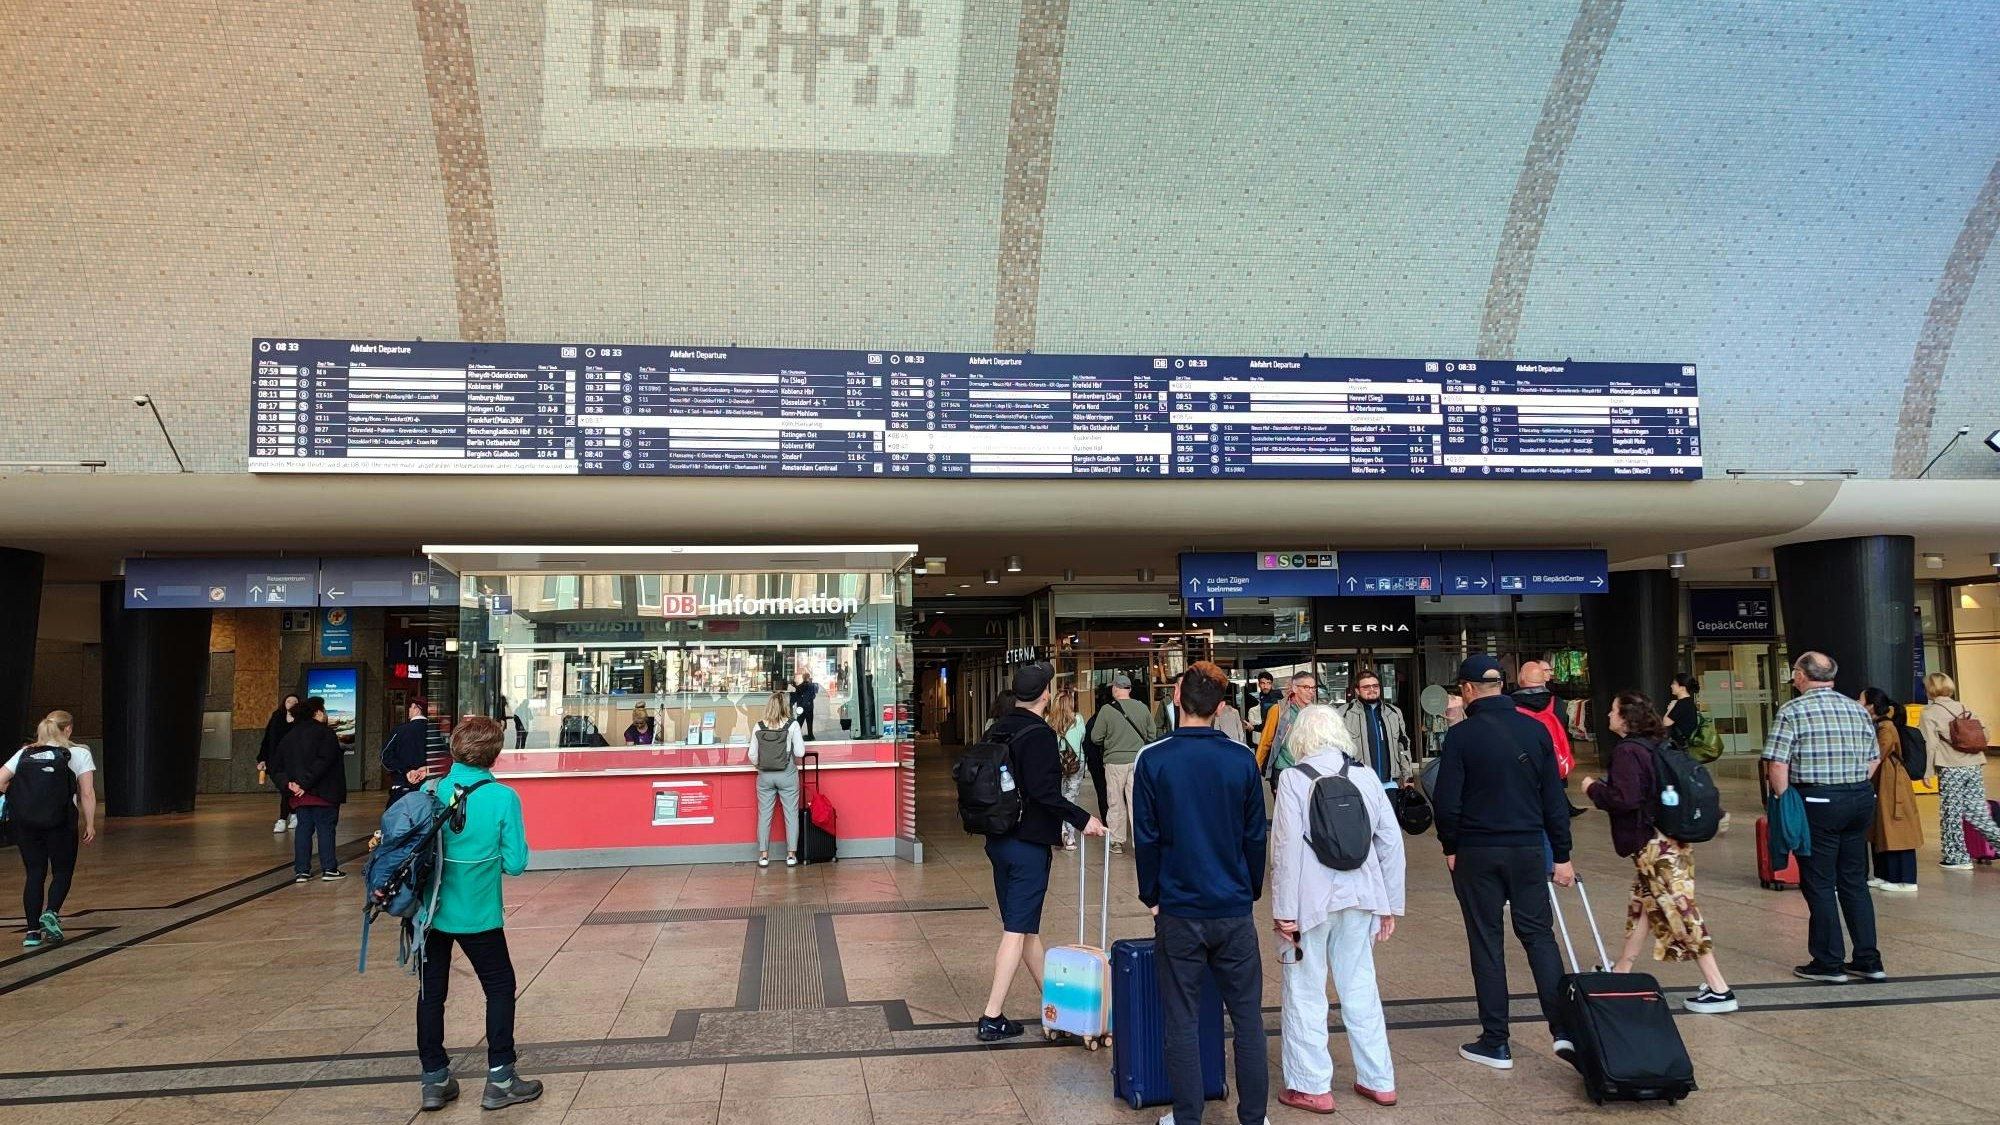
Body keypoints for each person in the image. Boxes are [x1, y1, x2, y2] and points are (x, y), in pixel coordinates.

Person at [1133, 661, 1270, 1125]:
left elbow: (1146, 837)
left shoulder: (1153, 759)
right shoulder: (1241, 759)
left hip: (1178, 907)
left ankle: (1187, 1116)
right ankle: (1254, 1117)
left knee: (1183, 1018)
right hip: (1232, 907)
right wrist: (1249, 888)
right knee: (1248, 1019)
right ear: (1222, 707)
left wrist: (1151, 894)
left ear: (1176, 697)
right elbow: (1256, 837)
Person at [1432, 654, 1574, 1070]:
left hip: (1478, 851)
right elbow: (1555, 801)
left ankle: (1496, 1042)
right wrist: (1561, 854)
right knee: (1539, 936)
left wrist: (1450, 845)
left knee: (1487, 941)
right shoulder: (1535, 730)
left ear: (1469, 690)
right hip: (1529, 848)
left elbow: (1447, 803)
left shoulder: (1461, 737)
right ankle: (1564, 1031)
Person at [1271, 705, 1404, 1113]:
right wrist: (1390, 905)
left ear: (1301, 739)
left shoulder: (1294, 779)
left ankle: (1312, 1085)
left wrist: (1283, 910)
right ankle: (1378, 1080)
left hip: (1311, 903)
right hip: (1362, 898)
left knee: (1306, 991)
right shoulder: (1365, 776)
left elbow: (1286, 850)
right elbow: (1391, 841)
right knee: (1361, 985)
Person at [1577, 692, 1738, 1015]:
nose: (1608, 715)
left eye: (1612, 710)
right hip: (1671, 839)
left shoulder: (1627, 752)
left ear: (1625, 719)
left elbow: (1625, 799)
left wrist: (1592, 788)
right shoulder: (1658, 745)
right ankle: (1622, 970)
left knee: (1680, 910)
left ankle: (1720, 988)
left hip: (1653, 845)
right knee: (1643, 906)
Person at [413, 715, 543, 1113]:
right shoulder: (502, 797)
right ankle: (501, 1079)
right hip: (479, 913)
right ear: (495, 754)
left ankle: (435, 1080)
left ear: (454, 749)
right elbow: (517, 862)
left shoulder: (432, 789)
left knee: (431, 994)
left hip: (430, 912)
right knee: (500, 987)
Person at [974, 661, 1105, 1042]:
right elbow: (1046, 794)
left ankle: (1055, 1008)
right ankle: (992, 1016)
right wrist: (1083, 820)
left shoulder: (997, 727)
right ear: (1045, 695)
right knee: (1016, 929)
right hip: (1027, 843)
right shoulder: (1040, 735)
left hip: (997, 839)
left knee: (1025, 925)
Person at [1762, 651, 1884, 983]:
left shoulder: (1792, 710)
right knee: (1854, 881)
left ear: (1801, 676)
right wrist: (1852, 782)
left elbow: (1777, 764)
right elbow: (1874, 758)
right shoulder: (1856, 710)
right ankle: (1868, 960)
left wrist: (1784, 800)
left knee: (1819, 883)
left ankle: (1828, 962)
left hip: (1817, 800)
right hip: (1859, 798)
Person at [1, 711, 98, 949]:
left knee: (35, 873)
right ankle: (52, 911)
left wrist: (17, 796)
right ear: (68, 729)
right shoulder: (78, 753)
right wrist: (91, 823)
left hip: (27, 824)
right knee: (62, 870)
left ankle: (32, 932)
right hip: (60, 822)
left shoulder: (25, 753)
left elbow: (1, 780)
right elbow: (87, 792)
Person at [1923, 673, 2000, 870]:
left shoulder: (1930, 713)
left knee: (1951, 813)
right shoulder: (1965, 708)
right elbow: (1985, 734)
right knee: (1977, 812)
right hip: (1974, 765)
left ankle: (1956, 857)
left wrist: (1927, 772)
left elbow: (1929, 745)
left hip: (1951, 767)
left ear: (1930, 689)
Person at [272, 696, 346, 882]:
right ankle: (329, 868)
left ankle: (302, 871)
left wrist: (290, 784)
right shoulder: (325, 734)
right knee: (325, 829)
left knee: (303, 830)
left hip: (299, 796)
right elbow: (324, 761)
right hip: (324, 792)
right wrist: (305, 784)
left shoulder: (289, 736)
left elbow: (277, 766)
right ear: (319, 712)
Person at [1860, 688, 1921, 893]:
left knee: (1897, 830)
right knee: (1882, 829)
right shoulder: (1879, 725)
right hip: (1883, 783)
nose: (1857, 703)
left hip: (1892, 784)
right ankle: (1884, 874)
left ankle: (1904, 879)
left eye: (1861, 700)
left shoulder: (1886, 728)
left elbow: (1877, 754)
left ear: (1871, 706)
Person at [1091, 673, 1156, 856]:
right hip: (1137, 762)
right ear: (1129, 689)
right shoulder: (1142, 708)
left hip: (1114, 763)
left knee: (1115, 802)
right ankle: (1140, 841)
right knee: (1137, 802)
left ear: (1116, 688)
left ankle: (1117, 842)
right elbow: (1152, 735)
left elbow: (1096, 737)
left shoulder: (1106, 710)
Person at [1514, 660, 1586, 818]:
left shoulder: (1511, 705)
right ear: (1542, 679)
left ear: (1521, 680)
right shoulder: (1557, 703)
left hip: (1523, 761)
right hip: (1552, 757)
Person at [1335, 671, 1416, 794]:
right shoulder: (1344, 713)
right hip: (1359, 784)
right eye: (1366, 687)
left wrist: (1408, 777)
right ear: (1357, 690)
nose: (1372, 690)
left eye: (1375, 686)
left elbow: (1403, 745)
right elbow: (1337, 749)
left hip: (1390, 783)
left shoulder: (1394, 713)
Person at [751, 692, 805, 868]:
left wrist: (759, 765)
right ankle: (791, 855)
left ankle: (764, 856)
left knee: (764, 815)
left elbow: (752, 754)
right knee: (791, 815)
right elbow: (800, 753)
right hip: (787, 774)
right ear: (786, 707)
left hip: (765, 775)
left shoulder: (759, 726)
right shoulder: (793, 725)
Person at [1256, 670, 1319, 780]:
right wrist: (1256, 768)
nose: (1311, 692)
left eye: (1313, 688)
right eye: (1306, 687)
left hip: (1309, 769)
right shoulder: (1278, 710)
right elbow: (1265, 741)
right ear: (1295, 688)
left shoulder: (1315, 712)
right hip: (1283, 770)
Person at [1049, 689, 1087, 850]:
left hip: (1055, 763)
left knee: (1057, 797)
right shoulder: (1078, 719)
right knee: (1071, 798)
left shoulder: (1048, 721)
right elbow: (1083, 737)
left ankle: (1060, 829)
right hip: (1076, 762)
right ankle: (1070, 838)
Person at [381, 698, 435, 805]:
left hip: (402, 786)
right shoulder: (435, 732)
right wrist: (428, 769)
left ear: (416, 708)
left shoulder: (400, 731)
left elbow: (385, 757)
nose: (409, 710)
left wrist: (406, 771)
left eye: (410, 707)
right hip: (429, 787)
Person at [260, 692, 299, 833]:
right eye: (289, 701)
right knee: (284, 787)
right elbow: (267, 739)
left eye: (295, 701)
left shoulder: (301, 720)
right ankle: (294, 814)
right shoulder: (277, 718)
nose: (292, 703)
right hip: (276, 761)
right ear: (284, 703)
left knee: (286, 789)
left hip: (294, 761)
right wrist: (262, 759)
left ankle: (283, 819)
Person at [1251, 671, 1281, 735]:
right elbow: (1267, 724)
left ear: (1271, 684)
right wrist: (1253, 727)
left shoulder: (1274, 697)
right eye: (1263, 683)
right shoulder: (1263, 697)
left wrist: (1254, 727)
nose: (1265, 686)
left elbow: (1271, 724)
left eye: (1268, 683)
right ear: (1259, 684)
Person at [793, 671, 820, 741]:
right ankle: (810, 735)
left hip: (801, 707)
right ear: (808, 678)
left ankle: (796, 736)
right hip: (809, 707)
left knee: (799, 722)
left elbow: (796, 697)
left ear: (803, 678)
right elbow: (813, 696)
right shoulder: (811, 686)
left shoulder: (799, 687)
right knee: (809, 722)